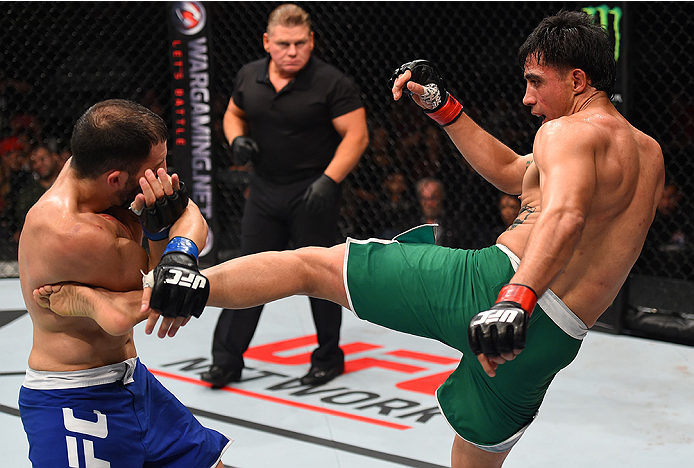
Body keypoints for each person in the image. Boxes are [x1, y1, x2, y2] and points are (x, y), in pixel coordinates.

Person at [38, 11, 664, 468]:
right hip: (559, 338)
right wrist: (446, 109)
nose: (528, 99)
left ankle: (179, 286)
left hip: (498, 289)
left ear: (578, 78)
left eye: (537, 82)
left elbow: (565, 216)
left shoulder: (568, 134)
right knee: (477, 462)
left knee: (313, 265)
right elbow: (511, 173)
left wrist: (516, 297)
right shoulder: (647, 152)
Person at [18, 99, 231, 467]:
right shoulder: (73, 232)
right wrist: (163, 237)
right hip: (76, 402)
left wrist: (178, 249)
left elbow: (187, 216)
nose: (165, 175)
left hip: (132, 381)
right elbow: (158, 287)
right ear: (116, 178)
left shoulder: (93, 167)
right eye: (157, 167)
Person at [202, 3, 369, 389]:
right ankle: (226, 361)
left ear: (311, 41)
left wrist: (330, 180)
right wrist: (237, 138)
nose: (292, 51)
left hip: (312, 191)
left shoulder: (332, 82)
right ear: (267, 42)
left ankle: (329, 357)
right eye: (283, 44)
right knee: (247, 271)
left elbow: (357, 135)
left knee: (321, 277)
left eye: (299, 43)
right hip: (263, 190)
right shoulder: (249, 75)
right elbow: (232, 113)